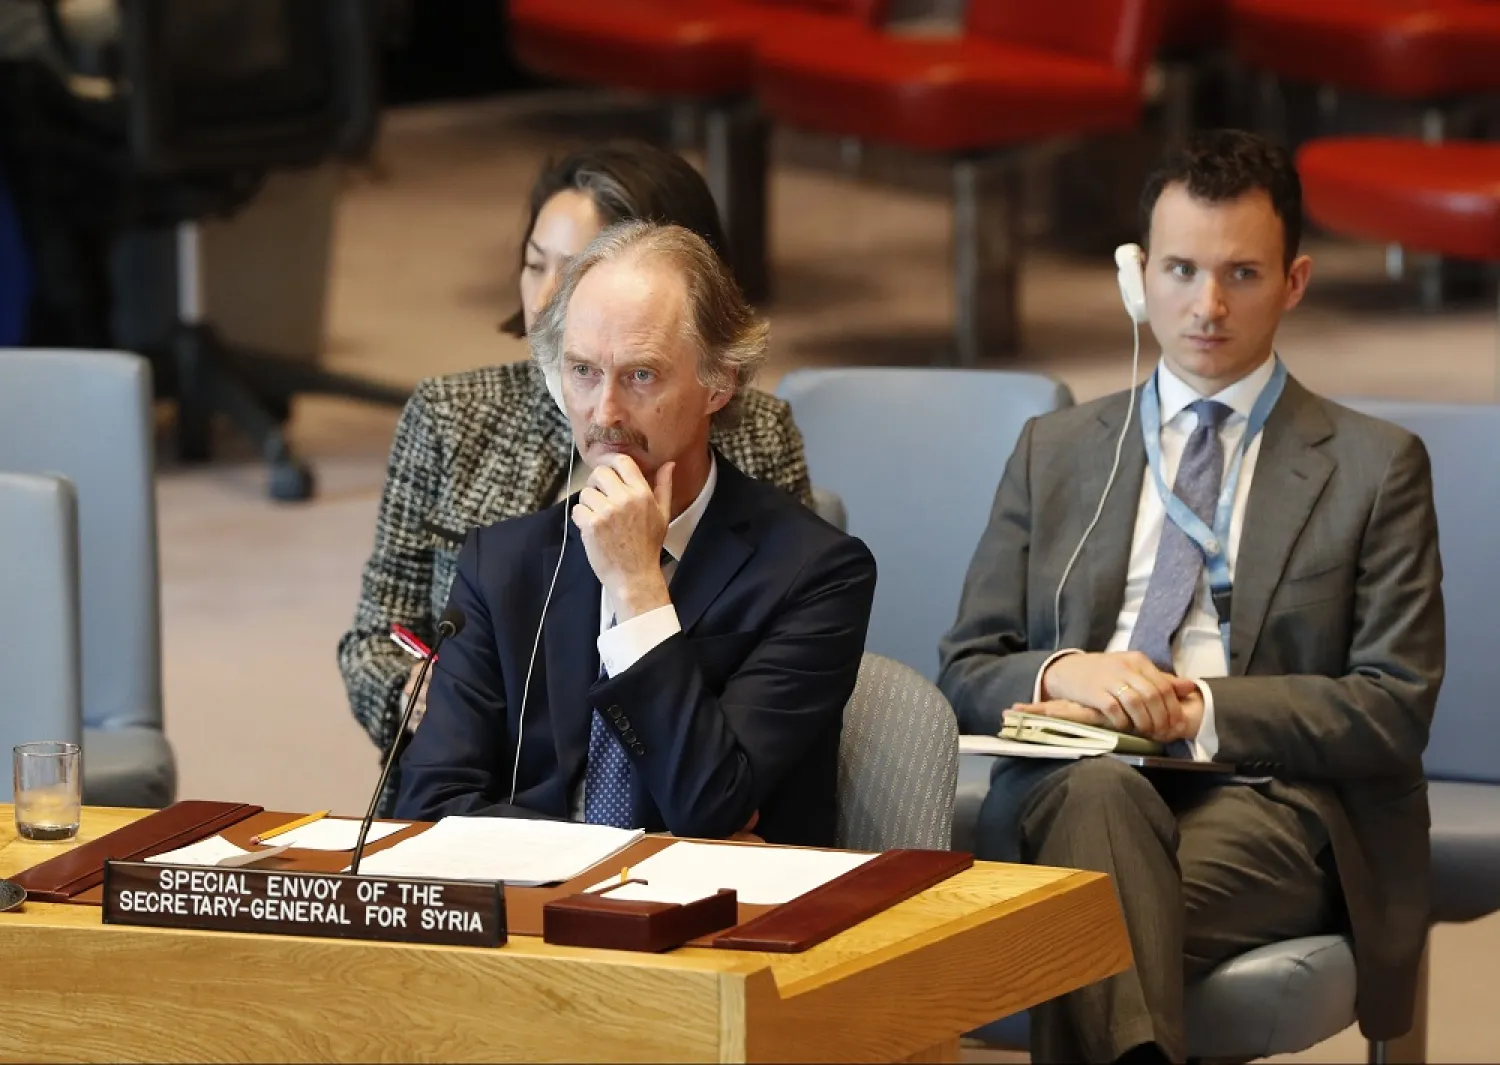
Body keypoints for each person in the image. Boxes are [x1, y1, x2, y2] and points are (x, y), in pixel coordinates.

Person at [938, 130, 1443, 1064]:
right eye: (1180, 270)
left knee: (1080, 919)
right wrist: (1069, 670)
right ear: (1139, 278)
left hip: (1275, 807)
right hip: (1070, 786)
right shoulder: (1056, 452)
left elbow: (1392, 706)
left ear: (1294, 281)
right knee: (1098, 815)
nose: (1207, 306)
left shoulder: (1374, 467)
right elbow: (967, 663)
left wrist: (1198, 707)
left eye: (1241, 275)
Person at [337, 143, 814, 814]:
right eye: (536, 265)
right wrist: (441, 699)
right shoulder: (454, 420)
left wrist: (638, 583)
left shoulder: (756, 443)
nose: (547, 298)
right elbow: (372, 643)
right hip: (486, 792)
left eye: (582, 267)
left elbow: (771, 638)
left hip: (677, 788)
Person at [394, 221, 876, 845]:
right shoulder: (504, 564)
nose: (604, 414)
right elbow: (427, 810)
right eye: (583, 372)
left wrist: (639, 587)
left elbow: (711, 804)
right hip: (531, 913)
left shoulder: (815, 573)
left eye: (641, 376)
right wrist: (595, 856)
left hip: (723, 926)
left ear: (719, 381)